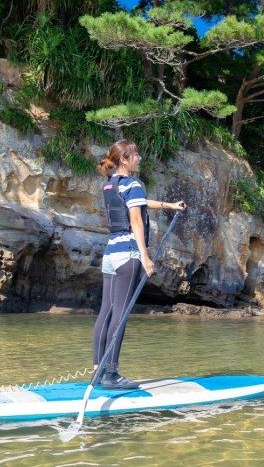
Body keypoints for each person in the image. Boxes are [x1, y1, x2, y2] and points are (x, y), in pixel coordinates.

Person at [92, 140, 187, 389]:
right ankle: (111, 374)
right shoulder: (134, 185)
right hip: (129, 255)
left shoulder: (110, 184)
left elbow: (140, 204)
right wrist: (145, 256)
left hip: (111, 254)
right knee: (120, 315)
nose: (140, 158)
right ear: (124, 159)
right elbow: (136, 220)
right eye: (135, 154)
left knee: (106, 311)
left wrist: (168, 205)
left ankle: (97, 370)